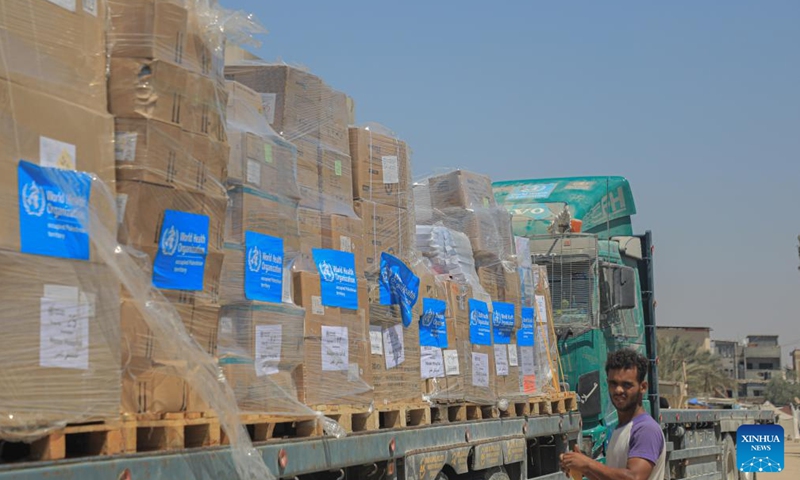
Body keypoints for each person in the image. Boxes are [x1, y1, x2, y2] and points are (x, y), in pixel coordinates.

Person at [560, 349, 666, 480]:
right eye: (613, 383)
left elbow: (634, 478)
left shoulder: (645, 429)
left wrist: (587, 464)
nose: (618, 390)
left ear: (643, 387)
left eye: (627, 385)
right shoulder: (621, 428)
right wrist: (581, 467)